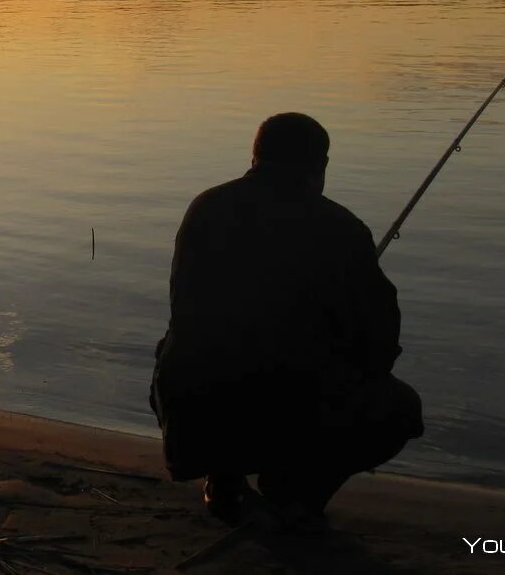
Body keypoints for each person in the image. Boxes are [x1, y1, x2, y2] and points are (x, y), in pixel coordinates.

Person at [149, 112, 423, 527]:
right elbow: (380, 342)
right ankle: (295, 493)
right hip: (279, 414)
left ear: (255, 155)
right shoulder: (342, 229)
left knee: (187, 350)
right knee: (400, 408)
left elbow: (185, 309)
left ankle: (223, 477)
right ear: (321, 166)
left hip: (190, 417)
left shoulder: (205, 208)